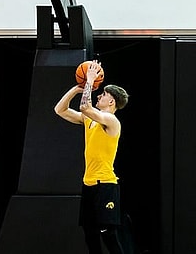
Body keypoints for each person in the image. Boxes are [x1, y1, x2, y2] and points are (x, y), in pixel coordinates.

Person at [53, 60, 130, 254]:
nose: (100, 95)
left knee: (109, 235)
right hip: (89, 184)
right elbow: (59, 110)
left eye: (104, 94)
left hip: (105, 184)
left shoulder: (111, 121)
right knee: (90, 235)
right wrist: (77, 88)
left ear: (111, 101)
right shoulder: (90, 119)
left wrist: (89, 80)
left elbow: (85, 107)